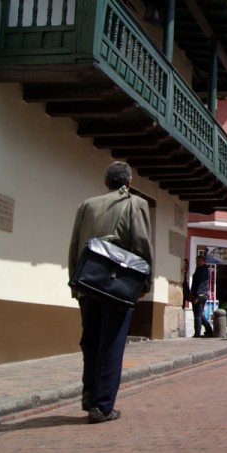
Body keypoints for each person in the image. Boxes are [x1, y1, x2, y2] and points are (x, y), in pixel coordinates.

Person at [68, 161, 153, 424]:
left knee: (90, 341)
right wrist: (144, 282)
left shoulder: (87, 204)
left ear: (106, 183)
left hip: (88, 282)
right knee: (112, 342)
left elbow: (75, 245)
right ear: (128, 182)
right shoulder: (135, 204)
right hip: (117, 284)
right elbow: (141, 244)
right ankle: (102, 406)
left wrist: (75, 282)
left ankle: (90, 394)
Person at [191, 255, 214, 338]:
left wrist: (196, 296)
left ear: (204, 261)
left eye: (200, 261)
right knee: (200, 314)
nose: (198, 262)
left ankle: (197, 333)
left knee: (197, 315)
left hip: (200, 295)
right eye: (197, 261)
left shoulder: (202, 270)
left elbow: (200, 284)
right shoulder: (200, 269)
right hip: (201, 294)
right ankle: (209, 330)